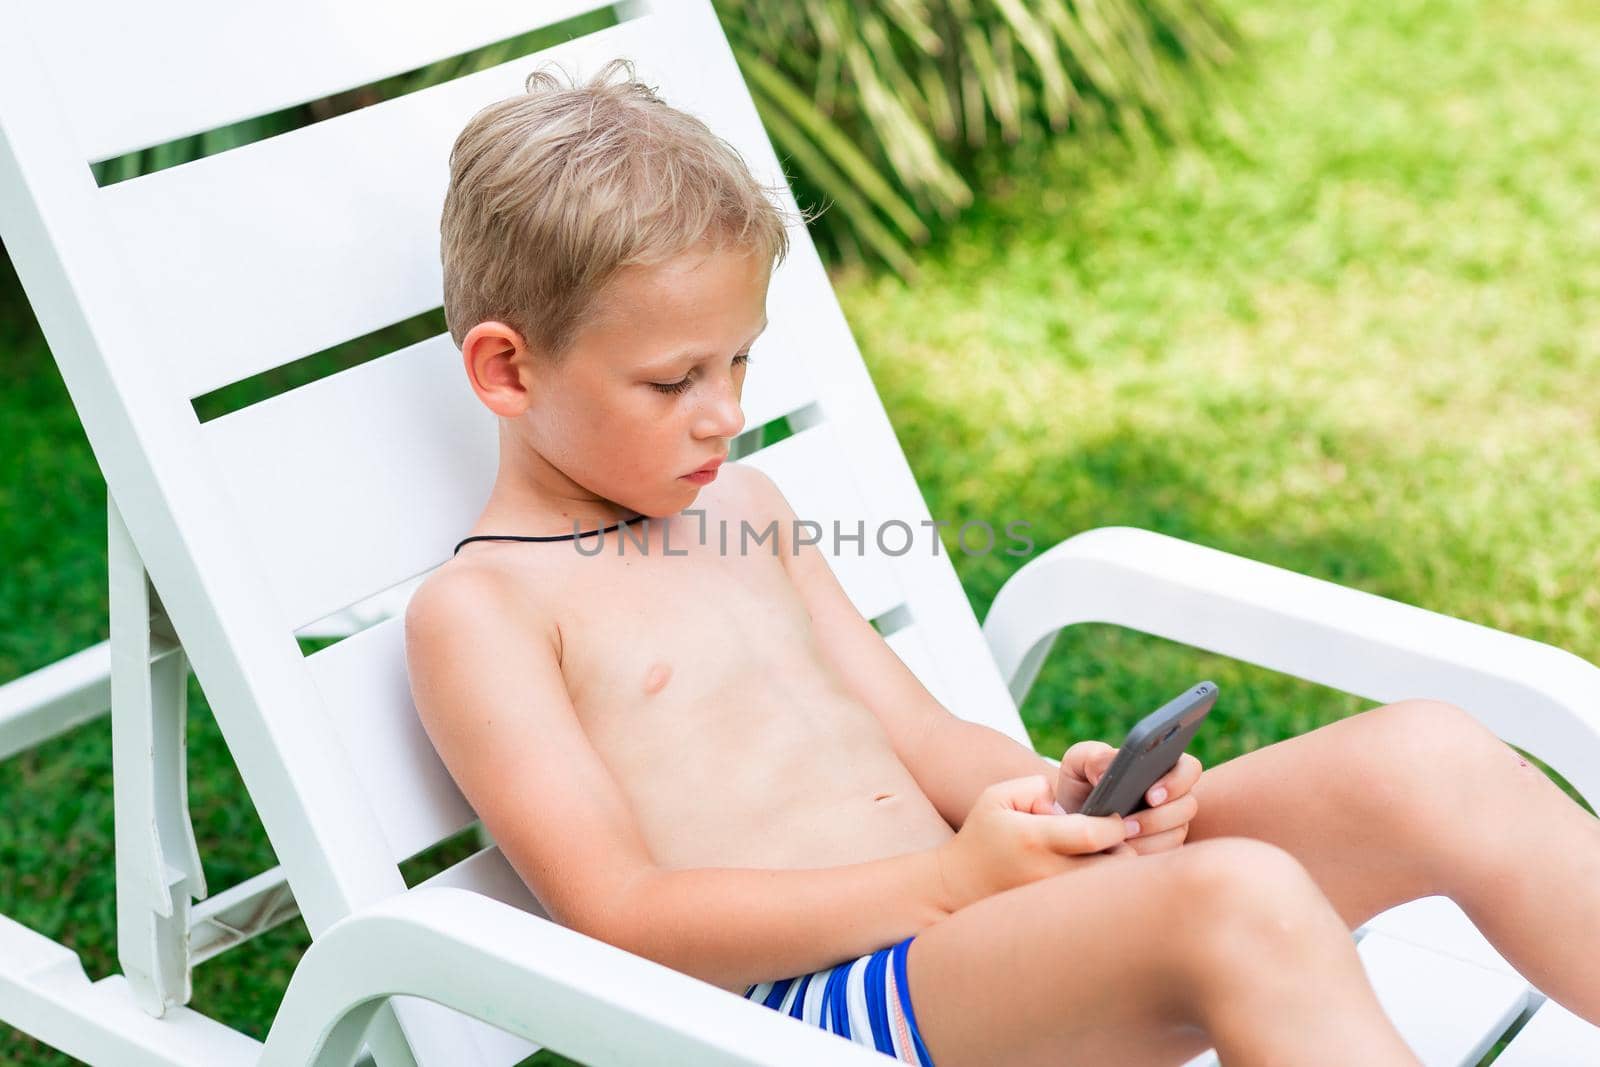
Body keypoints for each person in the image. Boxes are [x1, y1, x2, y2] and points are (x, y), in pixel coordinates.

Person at [403, 57, 1600, 1067]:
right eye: (673, 382)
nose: (724, 414)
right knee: (1238, 894)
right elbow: (624, 916)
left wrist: (1064, 801)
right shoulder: (487, 611)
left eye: (740, 364)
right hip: (822, 1008)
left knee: (1420, 756)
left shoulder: (749, 511)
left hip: (981, 921)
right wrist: (950, 887)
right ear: (508, 371)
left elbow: (925, 744)